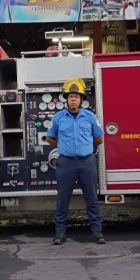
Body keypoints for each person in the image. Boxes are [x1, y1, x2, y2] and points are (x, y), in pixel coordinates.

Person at [46, 78, 105, 245]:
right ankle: (60, 234)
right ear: (66, 98)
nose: (73, 99)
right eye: (71, 96)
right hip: (66, 163)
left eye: (76, 96)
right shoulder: (58, 118)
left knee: (92, 198)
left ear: (81, 99)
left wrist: (87, 148)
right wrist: (63, 146)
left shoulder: (90, 117)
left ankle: (97, 233)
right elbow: (50, 138)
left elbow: (99, 138)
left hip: (87, 162)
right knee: (63, 199)